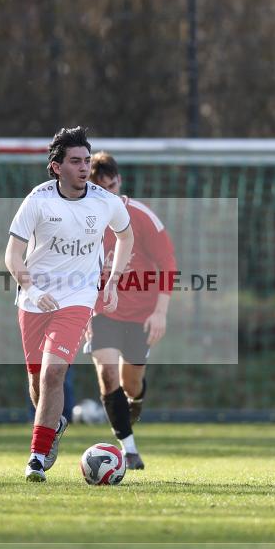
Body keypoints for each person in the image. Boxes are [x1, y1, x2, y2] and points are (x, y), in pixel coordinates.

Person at [5, 127, 134, 482]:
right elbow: (12, 254)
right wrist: (29, 290)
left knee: (53, 373)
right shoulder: (37, 200)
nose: (83, 168)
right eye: (75, 161)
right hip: (34, 300)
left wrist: (113, 279)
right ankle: (55, 424)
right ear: (56, 166)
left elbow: (126, 235)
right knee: (37, 386)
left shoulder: (104, 201)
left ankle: (35, 457)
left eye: (86, 161)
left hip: (78, 298)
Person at [86, 152, 177, 470]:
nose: (109, 194)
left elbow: (167, 264)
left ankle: (133, 404)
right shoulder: (84, 219)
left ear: (119, 182)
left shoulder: (141, 216)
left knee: (131, 383)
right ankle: (129, 448)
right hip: (103, 313)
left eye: (113, 186)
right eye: (102, 189)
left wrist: (161, 312)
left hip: (141, 313)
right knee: (107, 374)